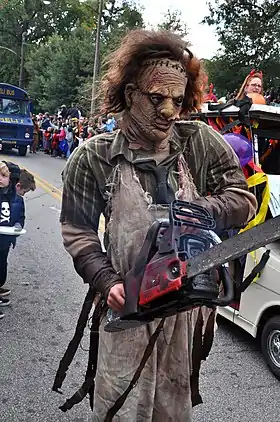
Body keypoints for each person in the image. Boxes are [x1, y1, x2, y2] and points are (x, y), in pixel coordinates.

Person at [60, 30, 257, 421]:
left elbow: (243, 199)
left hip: (185, 313)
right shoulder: (94, 157)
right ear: (131, 93)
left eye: (177, 101)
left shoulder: (198, 141)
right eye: (156, 98)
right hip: (127, 310)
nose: (169, 111)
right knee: (120, 406)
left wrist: (198, 210)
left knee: (172, 407)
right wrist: (106, 280)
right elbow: (77, 229)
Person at [0, 164, 36, 319]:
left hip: (5, 241)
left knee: (2, 267)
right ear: (18, 185)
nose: (24, 195)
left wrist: (18, 226)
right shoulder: (4, 195)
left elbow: (20, 217)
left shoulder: (17, 200)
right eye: (24, 191)